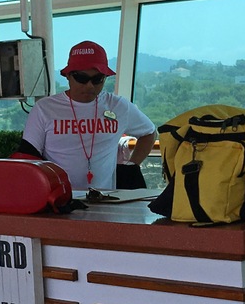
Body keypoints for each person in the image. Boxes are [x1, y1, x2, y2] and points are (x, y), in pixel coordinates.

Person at [16, 41, 155, 192]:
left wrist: (130, 167)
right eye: (81, 78)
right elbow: (28, 157)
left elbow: (149, 132)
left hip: (105, 199)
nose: (89, 86)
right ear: (68, 76)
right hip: (59, 199)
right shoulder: (44, 109)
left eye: (97, 79)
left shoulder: (119, 106)